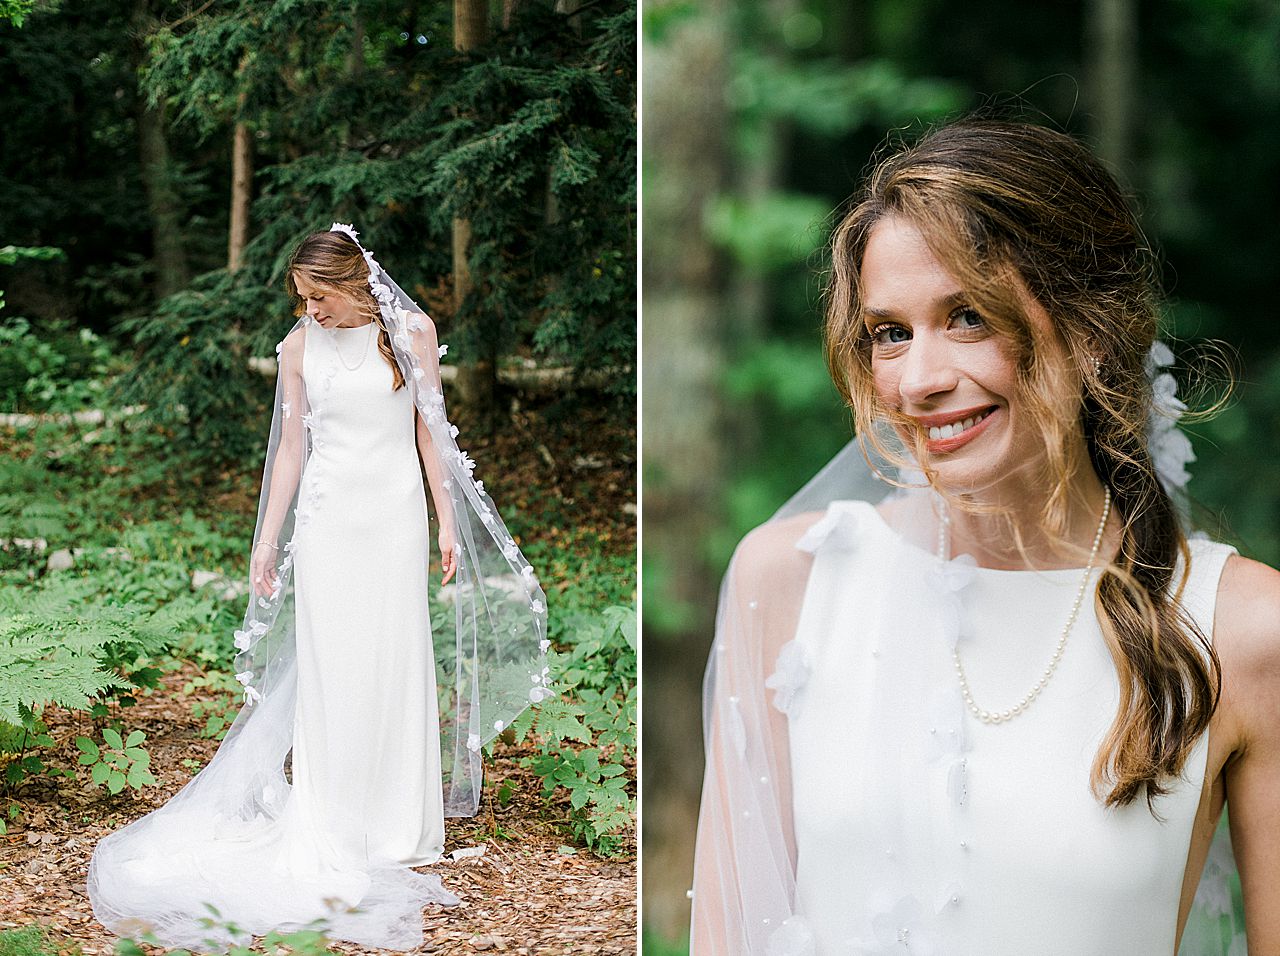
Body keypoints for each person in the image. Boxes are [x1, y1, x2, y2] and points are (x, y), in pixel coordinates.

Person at [689, 119, 1279, 955]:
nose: (919, 381)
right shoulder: (787, 581)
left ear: (1091, 329)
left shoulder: (1244, 630)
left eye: (968, 317)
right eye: (890, 332)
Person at [87, 224, 550, 950]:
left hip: (393, 517)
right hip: (331, 522)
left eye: (319, 295)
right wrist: (267, 540)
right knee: (334, 666)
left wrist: (446, 520)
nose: (311, 310)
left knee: (394, 657)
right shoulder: (298, 348)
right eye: (302, 298)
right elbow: (293, 447)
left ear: (353, 281)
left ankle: (401, 823)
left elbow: (433, 432)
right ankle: (335, 820)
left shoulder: (412, 334)